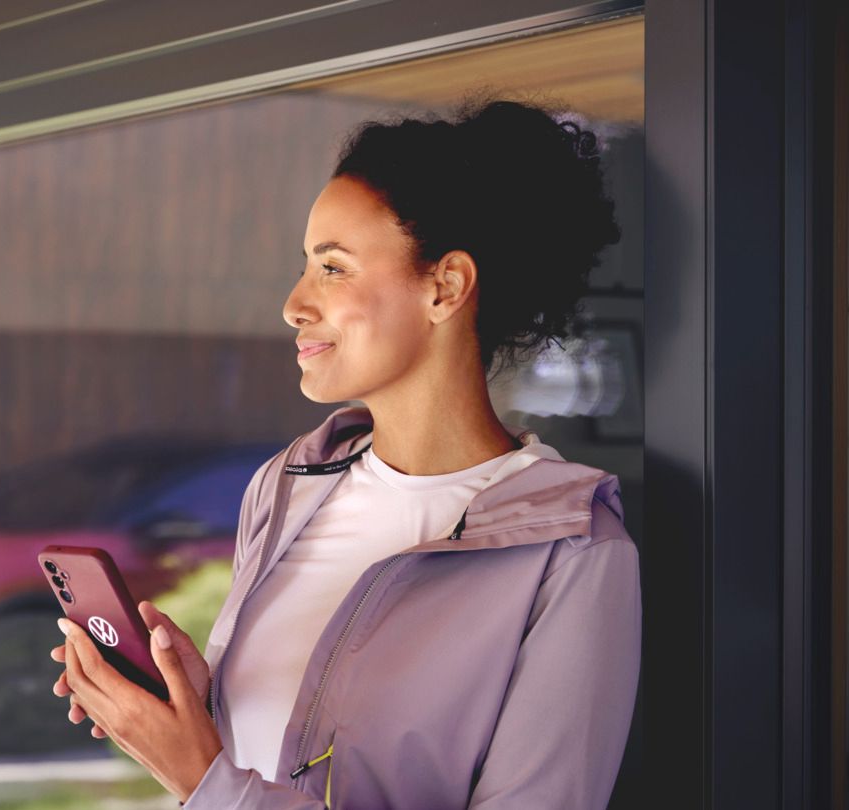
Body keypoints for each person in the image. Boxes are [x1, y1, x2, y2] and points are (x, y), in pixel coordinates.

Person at [49, 95, 641, 809]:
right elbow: (253, 769)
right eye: (307, 266)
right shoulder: (287, 487)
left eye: (332, 268)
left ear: (445, 286)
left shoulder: (571, 551)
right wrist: (195, 716)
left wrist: (204, 778)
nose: (295, 303)